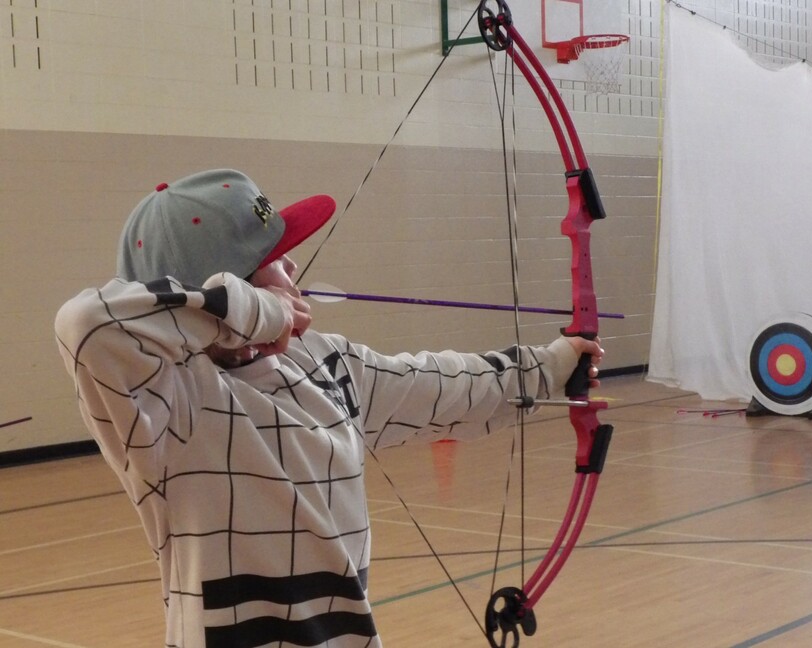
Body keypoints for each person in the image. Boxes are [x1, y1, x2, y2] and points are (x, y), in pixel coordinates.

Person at [55, 169, 603, 648]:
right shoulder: (165, 401)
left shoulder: (324, 361)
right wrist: (257, 314)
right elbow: (86, 327)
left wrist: (553, 365)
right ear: (234, 287)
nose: (292, 260)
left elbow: (442, 386)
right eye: (271, 257)